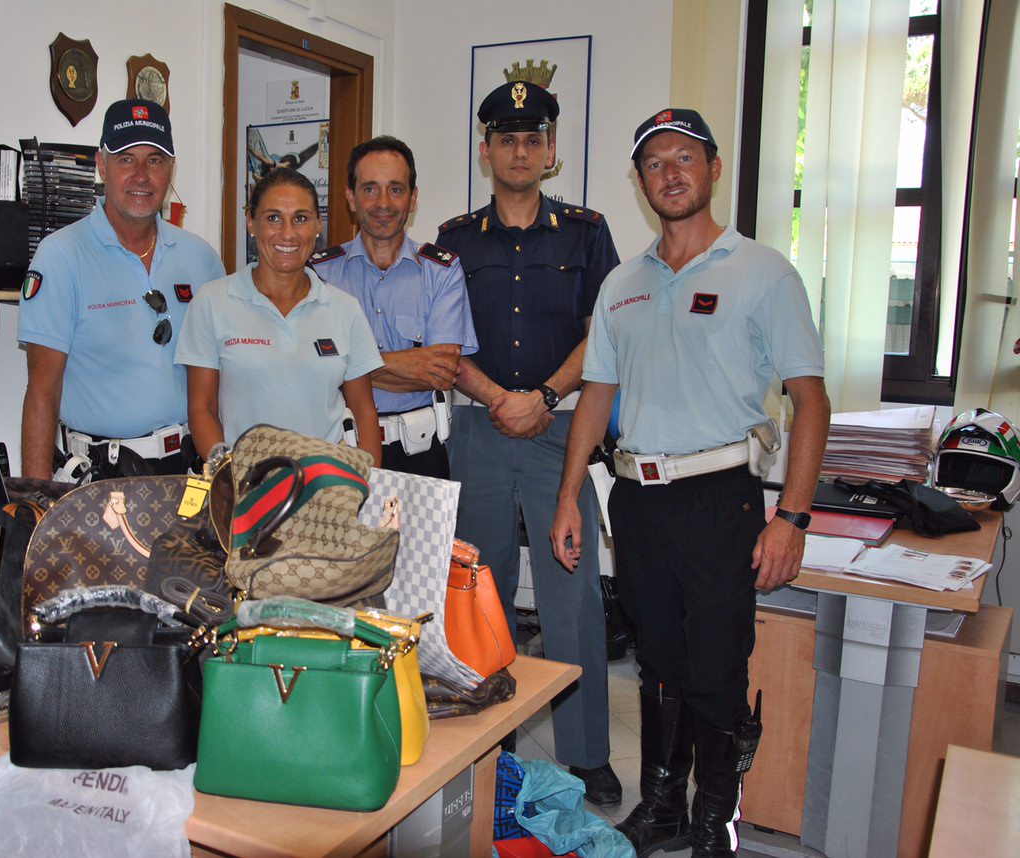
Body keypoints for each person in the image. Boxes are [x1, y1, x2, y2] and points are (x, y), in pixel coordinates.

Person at [550, 108, 830, 856]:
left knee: (715, 668)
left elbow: (810, 400)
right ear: (640, 181)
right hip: (638, 501)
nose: (670, 173)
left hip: (720, 499)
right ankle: (663, 806)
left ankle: (715, 821)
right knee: (657, 664)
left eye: (684, 158)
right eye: (654, 163)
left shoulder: (763, 271)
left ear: (711, 168)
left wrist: (792, 519)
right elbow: (597, 396)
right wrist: (570, 495)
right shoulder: (622, 284)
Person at [437, 80, 622, 805]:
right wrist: (499, 401)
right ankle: (492, 741)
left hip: (560, 429)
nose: (519, 150)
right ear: (485, 151)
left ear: (551, 151)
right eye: (505, 138)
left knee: (571, 592)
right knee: (476, 589)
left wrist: (542, 397)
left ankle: (587, 752)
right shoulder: (453, 240)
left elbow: (601, 335)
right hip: (479, 429)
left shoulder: (587, 232)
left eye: (532, 138)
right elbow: (443, 341)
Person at [17, 99, 224, 481]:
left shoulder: (202, 259)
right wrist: (37, 502)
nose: (142, 175)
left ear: (170, 169)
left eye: (156, 161)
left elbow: (216, 384)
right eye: (126, 159)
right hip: (101, 475)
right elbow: (42, 394)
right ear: (101, 165)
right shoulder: (61, 257)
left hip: (187, 472)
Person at [175, 167, 384, 464]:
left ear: (317, 225)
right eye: (273, 218)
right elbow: (202, 409)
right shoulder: (212, 302)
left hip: (327, 492)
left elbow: (364, 411)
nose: (288, 233)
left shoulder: (344, 309)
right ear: (251, 223)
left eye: (300, 218)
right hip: (244, 488)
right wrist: (229, 479)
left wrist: (368, 487)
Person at [308, 136, 477, 477]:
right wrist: (409, 364)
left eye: (395, 189)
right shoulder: (318, 274)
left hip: (421, 451)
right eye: (370, 189)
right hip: (338, 449)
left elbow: (442, 373)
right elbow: (313, 370)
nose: (382, 202)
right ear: (350, 197)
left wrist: (348, 366)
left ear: (413, 199)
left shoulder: (441, 271)